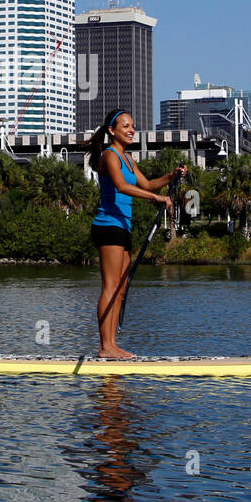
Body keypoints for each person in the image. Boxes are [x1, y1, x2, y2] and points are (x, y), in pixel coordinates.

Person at [85, 108, 187, 358]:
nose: (132, 130)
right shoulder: (109, 156)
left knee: (121, 287)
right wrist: (155, 198)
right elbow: (121, 186)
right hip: (108, 225)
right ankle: (105, 346)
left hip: (124, 227)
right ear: (112, 131)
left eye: (133, 126)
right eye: (126, 126)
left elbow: (149, 183)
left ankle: (112, 344)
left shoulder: (129, 159)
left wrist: (171, 176)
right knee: (110, 285)